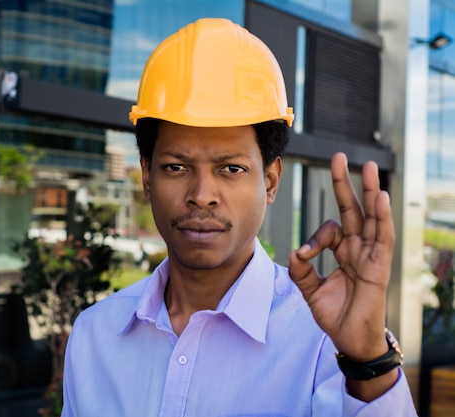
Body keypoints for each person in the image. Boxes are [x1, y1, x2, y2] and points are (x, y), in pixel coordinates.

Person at [61, 18, 417, 416]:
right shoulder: (94, 336)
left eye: (230, 169)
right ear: (147, 176)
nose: (201, 196)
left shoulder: (326, 340)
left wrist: (369, 359)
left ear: (270, 180)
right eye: (176, 167)